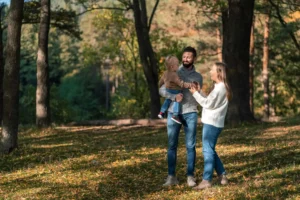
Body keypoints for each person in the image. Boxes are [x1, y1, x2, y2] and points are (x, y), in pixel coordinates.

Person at [159, 46, 203, 187]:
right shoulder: (174, 71)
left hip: (190, 112)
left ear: (194, 59)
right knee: (172, 145)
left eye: (188, 57)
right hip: (173, 112)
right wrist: (173, 95)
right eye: (184, 57)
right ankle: (171, 177)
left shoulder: (198, 77)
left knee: (190, 146)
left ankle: (190, 176)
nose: (185, 59)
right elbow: (161, 89)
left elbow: (198, 94)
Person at [189, 62, 232, 190]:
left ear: (218, 73)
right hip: (213, 123)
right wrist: (199, 91)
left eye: (212, 70)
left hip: (212, 124)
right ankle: (222, 176)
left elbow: (207, 104)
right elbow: (209, 101)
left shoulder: (220, 88)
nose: (210, 72)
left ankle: (206, 180)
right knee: (210, 150)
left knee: (207, 151)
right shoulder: (219, 87)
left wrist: (195, 94)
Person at [158, 55, 193, 124]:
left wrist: (162, 85)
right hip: (175, 91)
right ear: (172, 67)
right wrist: (189, 85)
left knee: (167, 100)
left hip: (168, 90)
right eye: (177, 65)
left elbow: (160, 82)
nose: (178, 66)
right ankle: (175, 115)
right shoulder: (174, 75)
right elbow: (180, 83)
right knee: (177, 100)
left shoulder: (165, 73)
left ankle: (161, 112)